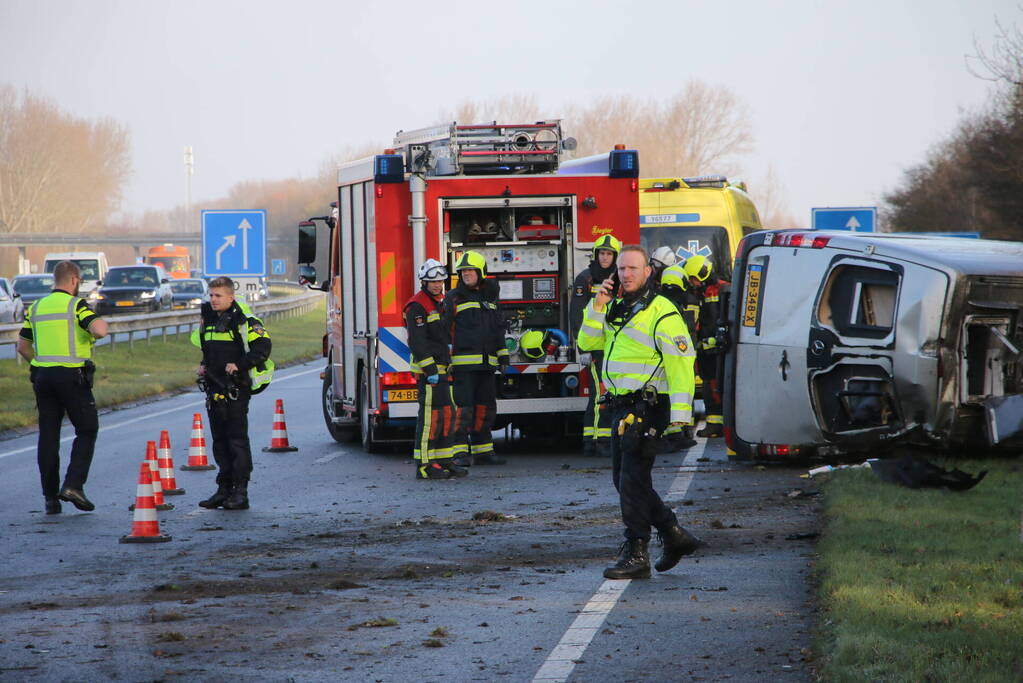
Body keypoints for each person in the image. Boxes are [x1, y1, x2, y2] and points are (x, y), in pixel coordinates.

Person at [577, 245, 701, 579]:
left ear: (649, 271)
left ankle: (636, 552)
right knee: (623, 480)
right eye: (621, 269)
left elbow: (681, 365)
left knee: (632, 480)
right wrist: (597, 307)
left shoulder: (663, 311)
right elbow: (587, 344)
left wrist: (680, 417)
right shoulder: (615, 307)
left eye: (633, 268)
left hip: (648, 407)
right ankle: (674, 534)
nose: (626, 274)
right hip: (621, 407)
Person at [17, 261, 109, 514]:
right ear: (75, 280)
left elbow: (22, 347)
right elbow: (100, 331)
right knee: (87, 429)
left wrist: (39, 365)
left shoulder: (36, 307)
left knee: (48, 436)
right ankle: (73, 485)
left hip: (43, 377)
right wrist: (99, 322)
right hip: (71, 377)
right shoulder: (76, 305)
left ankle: (50, 499)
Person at [191, 277, 272, 510]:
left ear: (231, 297)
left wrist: (239, 365)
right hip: (214, 388)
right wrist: (204, 365)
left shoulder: (245, 321)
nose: (213, 300)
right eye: (211, 295)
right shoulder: (208, 320)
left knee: (236, 440)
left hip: (236, 388)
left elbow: (262, 350)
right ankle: (223, 488)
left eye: (218, 296)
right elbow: (210, 350)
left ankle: (240, 491)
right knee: (219, 441)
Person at [443, 250, 508, 466]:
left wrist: (503, 357)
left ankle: (483, 451)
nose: (466, 274)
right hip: (462, 367)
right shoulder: (453, 297)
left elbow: (498, 329)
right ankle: (459, 453)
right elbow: (445, 330)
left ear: (481, 272)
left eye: (470, 270)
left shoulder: (490, 298)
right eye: (463, 271)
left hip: (487, 365)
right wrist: (446, 360)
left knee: (486, 408)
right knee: (463, 410)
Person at [404, 259, 467, 480]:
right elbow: (417, 343)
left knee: (447, 416)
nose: (437, 285)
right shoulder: (417, 306)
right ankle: (424, 465)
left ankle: (444, 460)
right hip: (429, 372)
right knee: (429, 420)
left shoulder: (443, 301)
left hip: (443, 369)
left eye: (440, 281)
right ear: (424, 281)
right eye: (432, 281)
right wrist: (429, 369)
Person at [569, 233, 621, 457]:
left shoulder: (620, 279)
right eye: (601, 253)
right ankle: (600, 442)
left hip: (616, 347)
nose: (604, 258)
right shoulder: (585, 278)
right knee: (600, 395)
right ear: (595, 254)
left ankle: (590, 441)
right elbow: (576, 315)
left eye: (609, 254)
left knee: (608, 393)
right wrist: (583, 349)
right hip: (595, 347)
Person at [684, 255, 728, 438]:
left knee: (714, 386)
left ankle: (717, 425)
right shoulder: (700, 291)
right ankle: (715, 424)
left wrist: (714, 340)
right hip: (705, 349)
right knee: (710, 385)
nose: (693, 283)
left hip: (717, 349)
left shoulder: (722, 289)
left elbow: (722, 318)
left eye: (694, 279)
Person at [657, 264, 699, 452]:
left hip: (664, 357)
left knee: (667, 395)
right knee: (669, 395)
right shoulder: (677, 304)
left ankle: (674, 435)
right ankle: (669, 437)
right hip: (673, 356)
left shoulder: (658, 302)